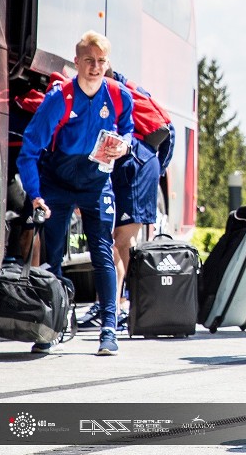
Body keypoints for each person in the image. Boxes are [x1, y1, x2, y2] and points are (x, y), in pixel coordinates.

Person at [17, 30, 134, 356]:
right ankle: (51, 327)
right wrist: (36, 194)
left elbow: (128, 129)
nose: (95, 67)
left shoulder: (119, 96)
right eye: (89, 61)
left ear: (107, 63)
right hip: (58, 183)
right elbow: (29, 150)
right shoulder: (60, 99)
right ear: (77, 61)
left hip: (96, 184)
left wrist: (123, 145)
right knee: (53, 256)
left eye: (101, 61)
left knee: (102, 252)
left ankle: (108, 329)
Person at [76, 66, 175, 332]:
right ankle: (109, 306)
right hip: (128, 167)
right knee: (108, 240)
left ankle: (132, 306)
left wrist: (156, 171)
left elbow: (168, 130)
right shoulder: (107, 94)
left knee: (122, 241)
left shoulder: (122, 93)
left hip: (137, 168)